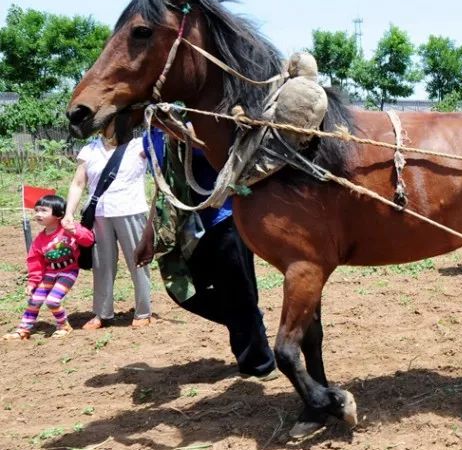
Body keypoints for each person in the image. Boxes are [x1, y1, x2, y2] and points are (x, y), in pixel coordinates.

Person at [134, 128, 276, 379]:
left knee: (239, 293)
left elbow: (227, 159)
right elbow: (161, 187)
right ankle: (250, 320)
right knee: (181, 289)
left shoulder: (197, 119)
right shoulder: (149, 136)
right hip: (185, 228)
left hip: (225, 219)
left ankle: (260, 365)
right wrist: (148, 235)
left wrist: (187, 135)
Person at [63, 130, 152, 329]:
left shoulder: (139, 145)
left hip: (131, 210)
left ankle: (143, 311)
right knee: (102, 265)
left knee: (138, 262)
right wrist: (69, 212)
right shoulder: (90, 149)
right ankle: (102, 314)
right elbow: (78, 183)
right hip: (99, 214)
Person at [4, 195, 94, 340]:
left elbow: (89, 240)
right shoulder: (39, 240)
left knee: (53, 300)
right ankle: (23, 329)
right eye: (37, 210)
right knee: (34, 300)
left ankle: (63, 326)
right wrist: (33, 282)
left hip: (68, 272)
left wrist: (75, 231)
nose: (38, 214)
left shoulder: (69, 228)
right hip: (50, 273)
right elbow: (35, 262)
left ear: (59, 214)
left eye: (44, 210)